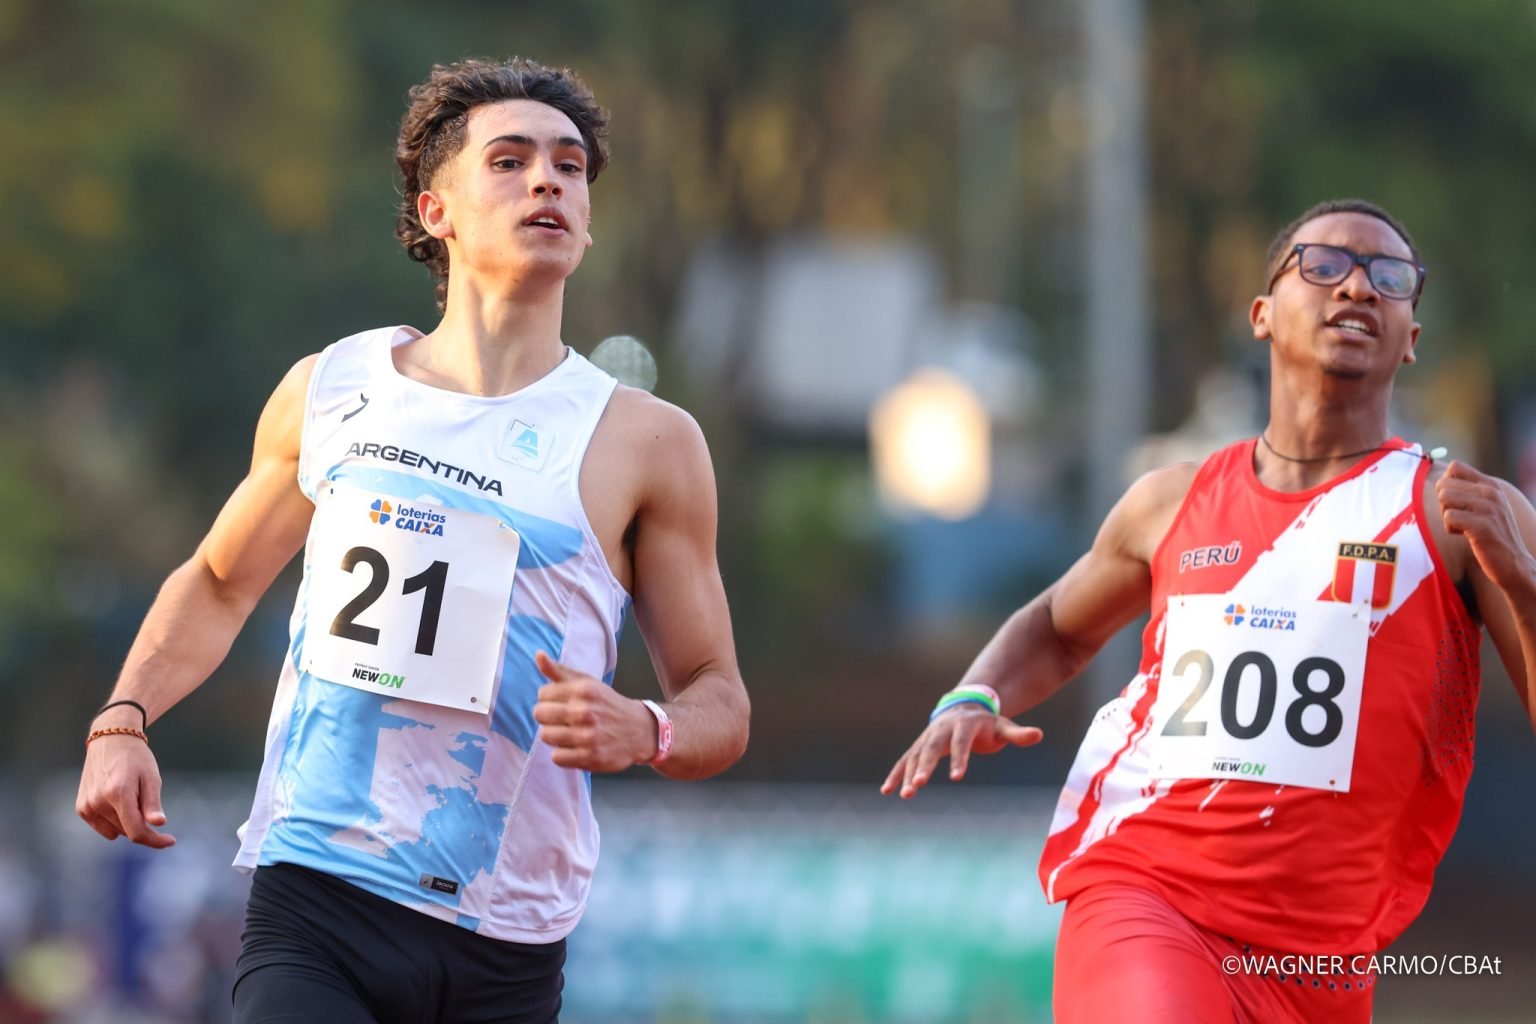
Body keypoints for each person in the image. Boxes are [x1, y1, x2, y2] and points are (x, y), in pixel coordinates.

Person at [75, 57, 750, 1024]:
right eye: (510, 162)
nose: (548, 181)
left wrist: (647, 729)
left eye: (569, 167)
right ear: (437, 211)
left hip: (508, 938)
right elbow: (220, 583)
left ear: (590, 219)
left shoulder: (647, 441)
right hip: (318, 892)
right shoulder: (336, 388)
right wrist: (122, 719)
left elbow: (719, 698)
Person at [881, 198, 1536, 1023]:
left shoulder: (1458, 515)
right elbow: (1056, 624)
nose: (1359, 289)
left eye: (1390, 277)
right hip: (1148, 898)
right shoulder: (1170, 503)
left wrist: (1523, 584)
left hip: (1321, 964)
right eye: (1325, 265)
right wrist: (973, 695)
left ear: (1412, 336)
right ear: (1262, 315)